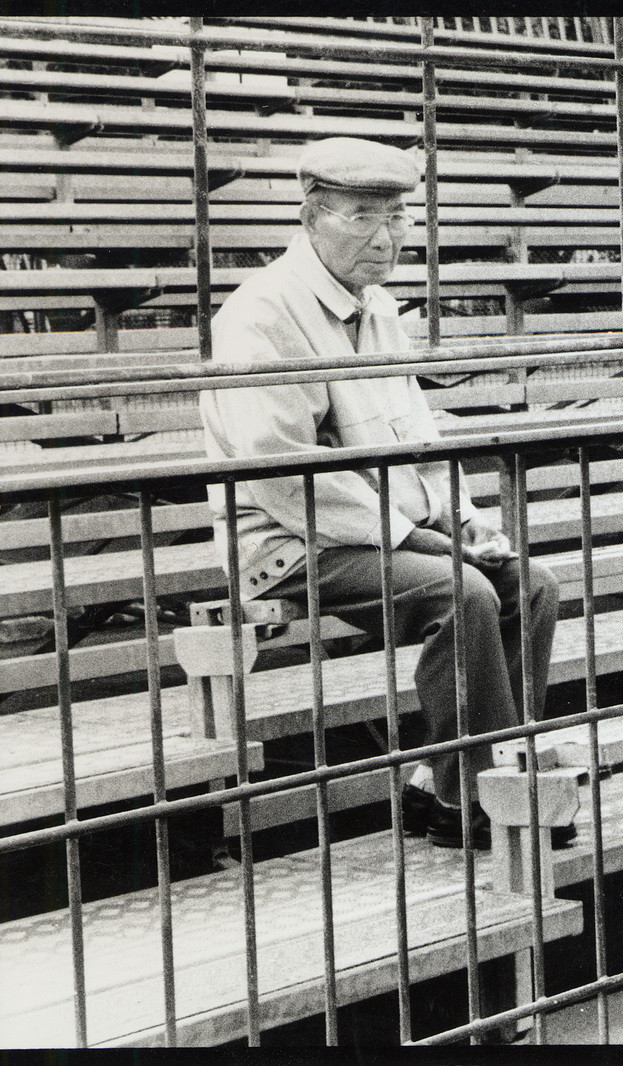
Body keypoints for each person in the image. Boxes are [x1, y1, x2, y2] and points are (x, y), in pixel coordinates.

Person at [200, 137, 560, 850]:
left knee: (531, 582)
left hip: (380, 526)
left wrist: (464, 521)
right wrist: (413, 535)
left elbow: (415, 435)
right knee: (461, 593)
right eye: (362, 215)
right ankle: (482, 800)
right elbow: (278, 468)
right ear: (311, 217)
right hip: (285, 539)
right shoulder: (261, 313)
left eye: (397, 216)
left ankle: (453, 780)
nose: (386, 236)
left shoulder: (380, 308)